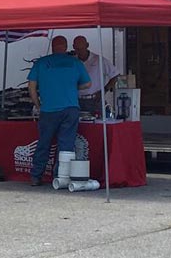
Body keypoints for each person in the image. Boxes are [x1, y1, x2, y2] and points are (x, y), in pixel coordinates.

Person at [27, 36, 91, 186]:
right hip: (70, 109)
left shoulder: (41, 63)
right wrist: (72, 87)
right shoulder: (75, 63)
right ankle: (61, 177)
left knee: (44, 143)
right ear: (66, 46)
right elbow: (87, 84)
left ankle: (36, 176)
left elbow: (31, 86)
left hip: (48, 110)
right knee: (66, 145)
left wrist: (38, 105)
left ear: (52, 46)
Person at [72, 35, 120, 115]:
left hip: (95, 100)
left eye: (82, 49)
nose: (80, 51)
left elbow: (115, 75)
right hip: (76, 100)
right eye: (77, 49)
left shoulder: (99, 60)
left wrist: (104, 90)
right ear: (73, 47)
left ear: (87, 45)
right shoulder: (72, 61)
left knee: (97, 125)